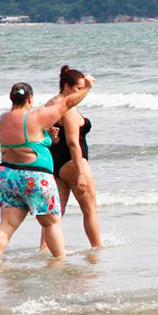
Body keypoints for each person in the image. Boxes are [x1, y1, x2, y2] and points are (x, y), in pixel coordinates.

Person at [0, 76, 94, 263]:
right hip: (34, 177)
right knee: (51, 223)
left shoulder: (2, 119)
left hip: (7, 175)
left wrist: (48, 138)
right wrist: (87, 87)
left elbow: (24, 141)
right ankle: (60, 262)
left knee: (6, 224)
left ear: (11, 98)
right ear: (30, 99)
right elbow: (67, 103)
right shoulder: (35, 116)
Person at [39, 66, 102, 251]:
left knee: (54, 215)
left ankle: (44, 251)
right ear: (66, 86)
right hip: (73, 164)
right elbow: (74, 143)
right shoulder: (68, 110)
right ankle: (97, 249)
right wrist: (81, 173)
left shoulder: (51, 104)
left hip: (55, 164)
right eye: (78, 88)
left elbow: (46, 136)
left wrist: (54, 138)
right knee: (90, 209)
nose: (81, 92)